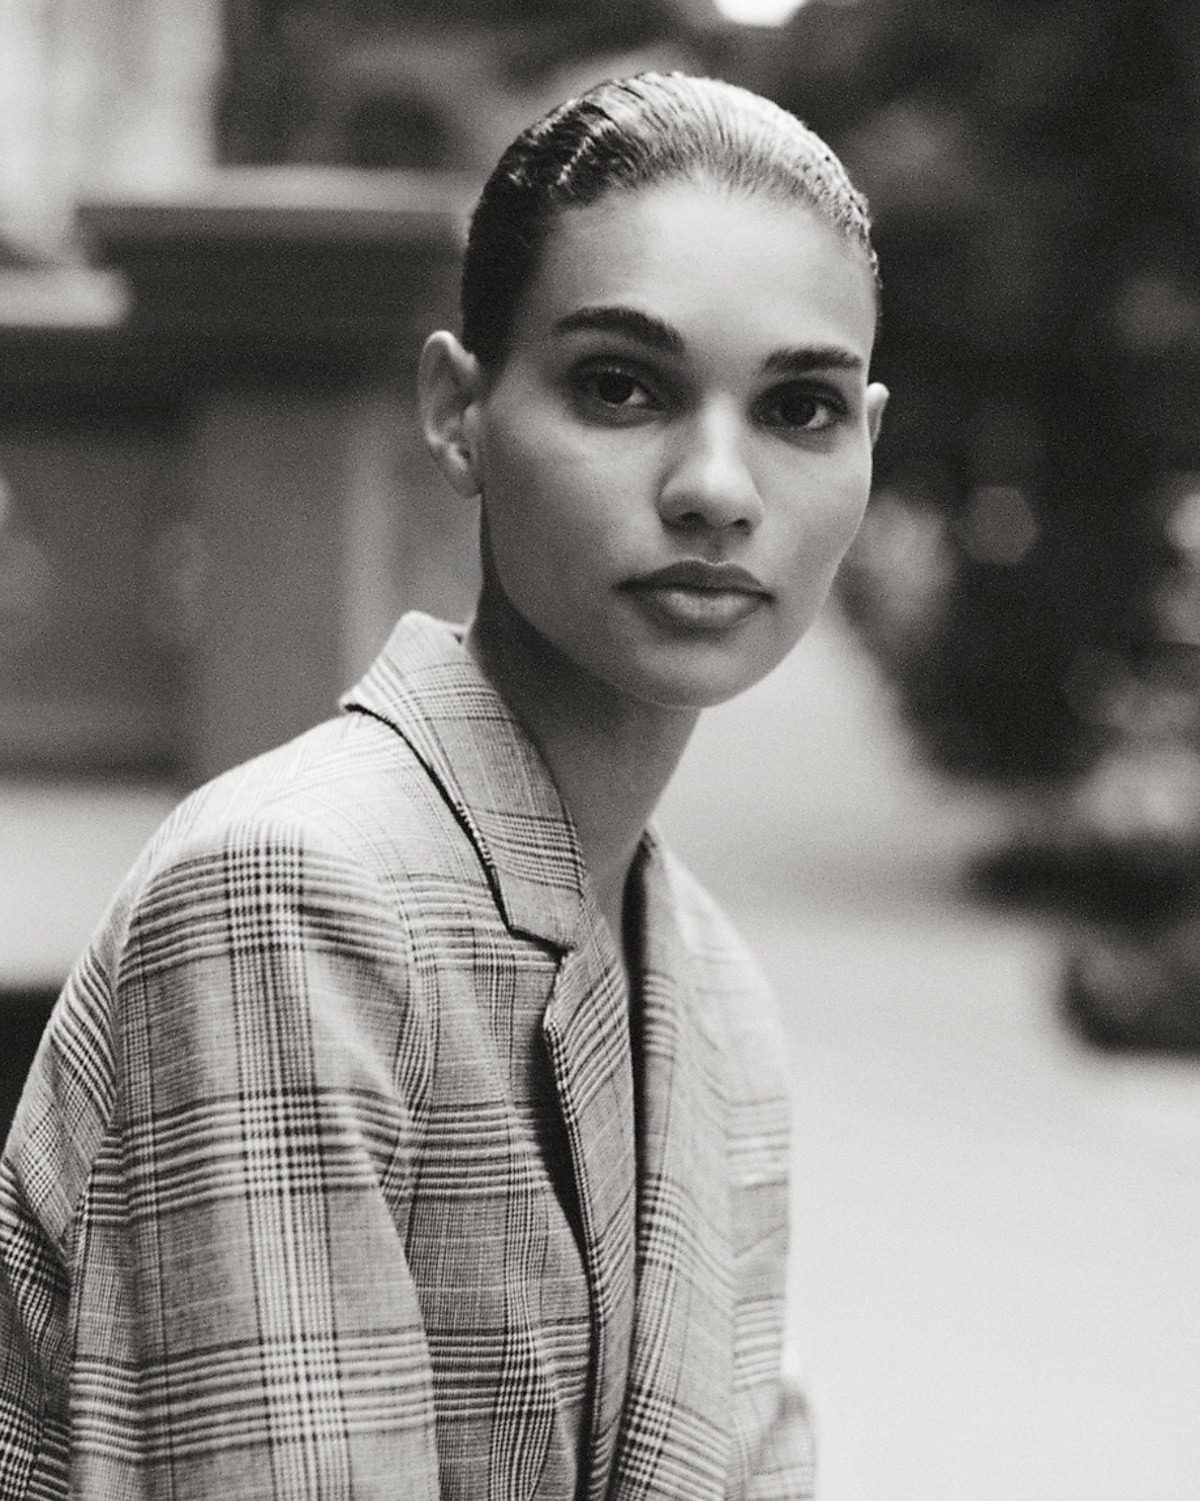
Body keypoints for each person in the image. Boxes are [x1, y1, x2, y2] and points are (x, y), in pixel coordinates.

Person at [0, 72, 887, 1500]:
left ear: (867, 444)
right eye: (621, 383)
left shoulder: (717, 995)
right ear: (458, 411)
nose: (718, 486)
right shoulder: (285, 897)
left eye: (799, 406)